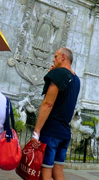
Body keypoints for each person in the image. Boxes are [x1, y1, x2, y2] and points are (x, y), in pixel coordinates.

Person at [30, 48, 81, 180]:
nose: (53, 59)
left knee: (45, 172)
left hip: (51, 131)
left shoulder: (58, 74)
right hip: (64, 132)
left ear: (63, 57)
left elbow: (48, 103)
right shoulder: (76, 79)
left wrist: (37, 131)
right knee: (58, 173)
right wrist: (53, 76)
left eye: (56, 56)